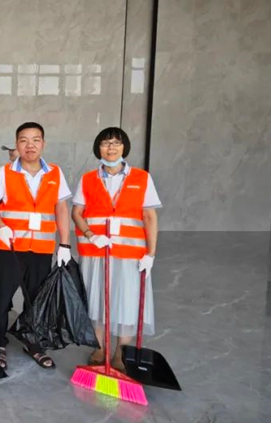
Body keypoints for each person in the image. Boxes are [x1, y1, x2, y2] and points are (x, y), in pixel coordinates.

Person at [0, 122, 72, 371]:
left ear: (43, 143)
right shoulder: (6, 172)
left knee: (36, 298)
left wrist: (65, 243)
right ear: (17, 144)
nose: (30, 145)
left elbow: (61, 208)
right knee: (1, 297)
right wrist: (0, 225)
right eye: (24, 140)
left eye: (35, 140)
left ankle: (33, 343)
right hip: (10, 247)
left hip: (41, 248)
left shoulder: (54, 172)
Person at [72, 127, 160, 372]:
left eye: (116, 143)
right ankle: (100, 347)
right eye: (105, 143)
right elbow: (77, 212)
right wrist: (91, 235)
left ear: (124, 147)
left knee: (127, 301)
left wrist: (151, 254)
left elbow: (149, 216)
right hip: (95, 252)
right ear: (98, 148)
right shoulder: (88, 179)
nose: (111, 147)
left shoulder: (141, 178)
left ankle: (121, 350)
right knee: (96, 300)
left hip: (130, 254)